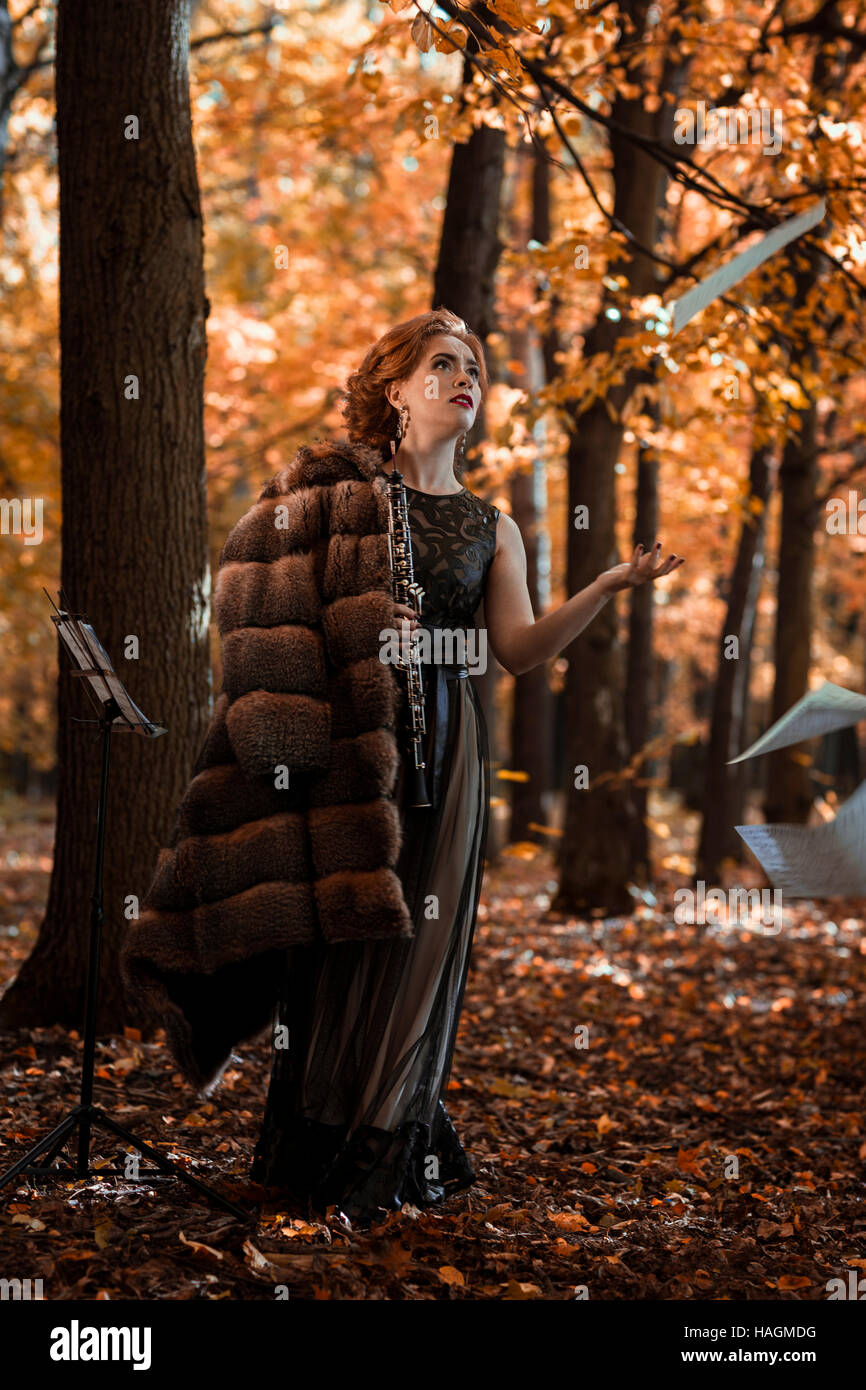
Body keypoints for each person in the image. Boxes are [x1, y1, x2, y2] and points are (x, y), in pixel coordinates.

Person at [248, 307, 685, 1226]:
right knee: (340, 953)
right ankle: (309, 1146)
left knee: (420, 951)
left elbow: (514, 654)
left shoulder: (494, 526)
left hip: (446, 751)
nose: (464, 378)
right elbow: (277, 627)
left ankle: (381, 1153)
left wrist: (606, 586)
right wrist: (360, 633)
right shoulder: (341, 501)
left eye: (474, 366)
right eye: (442, 364)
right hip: (351, 752)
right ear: (395, 390)